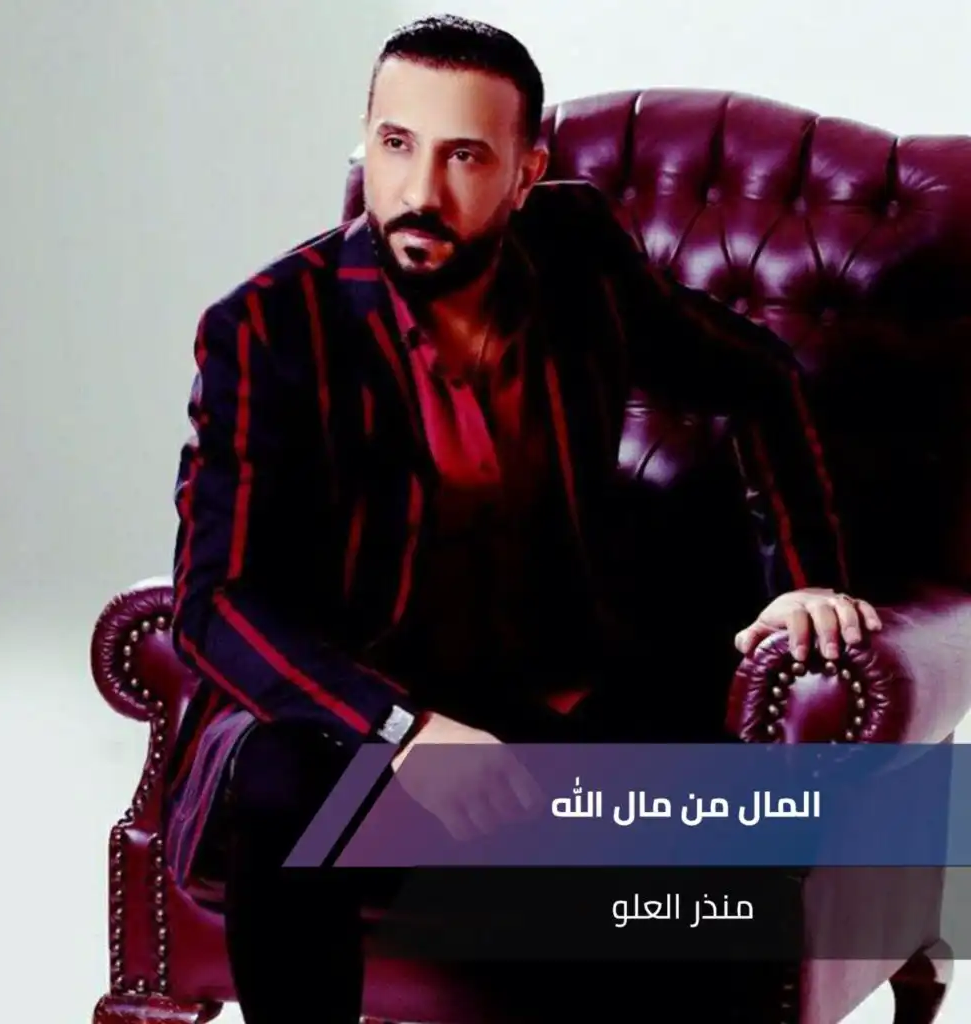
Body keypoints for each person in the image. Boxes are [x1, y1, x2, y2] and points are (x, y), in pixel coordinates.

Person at [164, 14, 882, 1022]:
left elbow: (757, 376)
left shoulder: (574, 251)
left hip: (564, 692)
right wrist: (405, 731)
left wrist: (804, 576)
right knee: (286, 778)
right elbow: (213, 603)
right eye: (396, 144)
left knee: (723, 853)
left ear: (524, 172)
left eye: (464, 155)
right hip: (367, 709)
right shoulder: (270, 326)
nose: (419, 191)